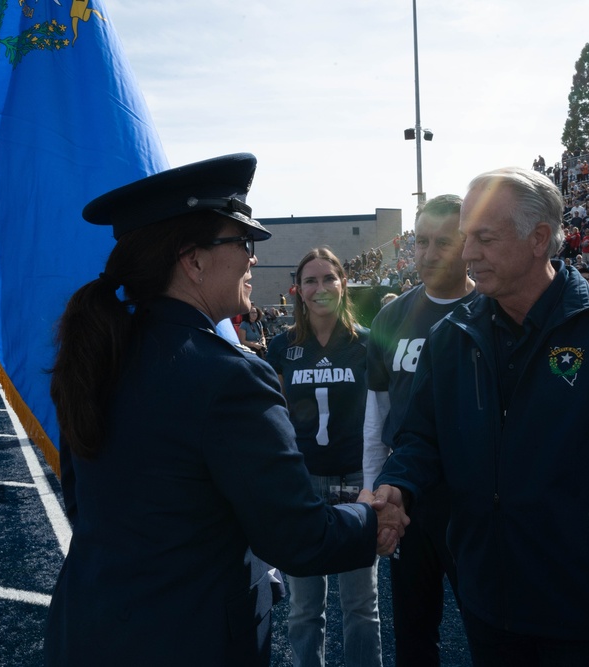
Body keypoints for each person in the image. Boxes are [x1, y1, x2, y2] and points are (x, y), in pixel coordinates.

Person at [44, 154, 406, 666]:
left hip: (88, 631)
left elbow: (83, 504)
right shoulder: (229, 377)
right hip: (190, 641)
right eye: (241, 242)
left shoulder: (97, 355)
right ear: (193, 260)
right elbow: (298, 539)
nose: (253, 257)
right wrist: (373, 522)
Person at [371, 166, 589, 665]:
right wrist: (398, 483)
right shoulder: (451, 337)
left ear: (539, 239)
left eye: (484, 238)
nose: (467, 254)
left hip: (586, 618)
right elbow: (421, 436)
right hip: (487, 608)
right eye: (466, 238)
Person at [363, 194, 475, 666]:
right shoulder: (391, 317)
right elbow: (377, 416)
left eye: (443, 243)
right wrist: (374, 493)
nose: (428, 254)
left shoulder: (495, 309)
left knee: (491, 626)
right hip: (408, 498)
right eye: (422, 241)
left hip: (476, 498)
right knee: (413, 630)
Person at [267, 247, 383, 667]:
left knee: (361, 605)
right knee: (304, 608)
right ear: (298, 291)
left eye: (328, 278)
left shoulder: (367, 342)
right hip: (305, 482)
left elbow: (381, 417)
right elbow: (276, 416)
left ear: (343, 283)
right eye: (310, 281)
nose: (320, 288)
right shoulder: (282, 346)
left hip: (356, 478)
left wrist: (374, 482)